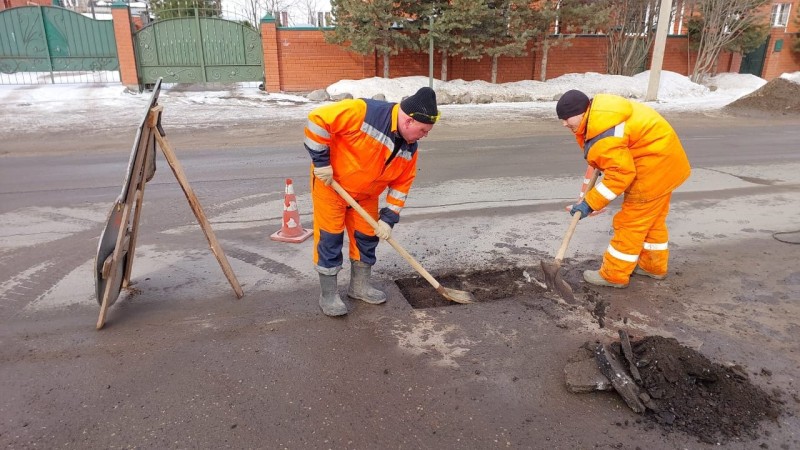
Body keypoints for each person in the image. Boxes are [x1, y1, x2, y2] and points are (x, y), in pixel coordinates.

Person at [303, 87, 439, 316]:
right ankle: (328, 295)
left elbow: (401, 186)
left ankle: (359, 287)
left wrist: (388, 219)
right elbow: (317, 120)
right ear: (409, 121)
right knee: (330, 239)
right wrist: (321, 162)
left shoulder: (409, 149)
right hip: (332, 187)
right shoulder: (363, 112)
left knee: (366, 238)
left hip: (366, 196)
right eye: (423, 130)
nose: (425, 135)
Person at [556, 89, 691, 288]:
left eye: (568, 118)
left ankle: (614, 275)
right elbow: (617, 152)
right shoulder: (602, 114)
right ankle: (652, 266)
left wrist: (589, 204)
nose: (564, 123)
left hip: (653, 170)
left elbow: (620, 175)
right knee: (652, 220)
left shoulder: (604, 134)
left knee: (630, 223)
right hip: (665, 163)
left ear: (582, 112)